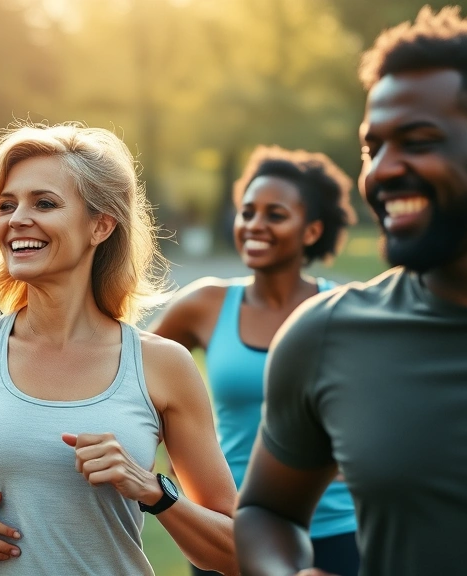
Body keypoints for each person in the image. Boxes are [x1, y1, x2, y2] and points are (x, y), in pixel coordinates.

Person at [233, 7, 467, 576]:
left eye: (417, 142)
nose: (383, 172)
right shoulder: (325, 335)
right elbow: (268, 512)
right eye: (374, 148)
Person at [0, 123, 239, 575]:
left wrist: (153, 490)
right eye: (6, 205)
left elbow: (234, 550)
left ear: (100, 225)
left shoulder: (162, 365)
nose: (16, 219)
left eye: (44, 203)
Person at [152, 146, 359, 576]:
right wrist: (174, 456)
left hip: (333, 531)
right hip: (229, 529)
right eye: (247, 213)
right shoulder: (203, 305)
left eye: (275, 215)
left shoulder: (344, 311)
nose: (254, 226)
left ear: (312, 230)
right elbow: (130, 381)